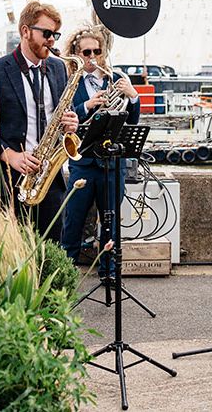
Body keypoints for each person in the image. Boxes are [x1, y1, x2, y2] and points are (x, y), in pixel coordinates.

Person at [0, 2, 78, 241]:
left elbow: (60, 112)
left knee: (49, 256)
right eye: (46, 33)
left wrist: (70, 122)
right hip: (7, 179)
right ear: (25, 31)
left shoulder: (59, 68)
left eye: (55, 35)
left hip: (49, 180)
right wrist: (10, 155)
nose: (52, 40)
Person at [60, 27, 140, 280]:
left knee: (111, 222)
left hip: (111, 163)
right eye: (86, 52)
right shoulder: (70, 81)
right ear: (76, 53)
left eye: (97, 51)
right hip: (82, 162)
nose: (92, 57)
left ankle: (110, 271)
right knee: (73, 220)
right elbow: (62, 116)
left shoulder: (115, 78)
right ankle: (64, 273)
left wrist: (133, 96)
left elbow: (131, 121)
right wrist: (87, 105)